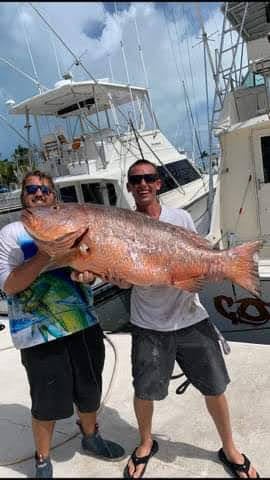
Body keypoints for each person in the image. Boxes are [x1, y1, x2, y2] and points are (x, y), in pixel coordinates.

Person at [119, 159, 259, 478]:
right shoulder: (124, 224)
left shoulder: (179, 216)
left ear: (158, 184)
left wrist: (211, 266)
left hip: (190, 317)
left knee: (214, 387)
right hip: (148, 323)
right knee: (144, 390)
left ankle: (229, 447)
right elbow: (126, 279)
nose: (142, 184)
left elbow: (196, 257)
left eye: (149, 178)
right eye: (136, 179)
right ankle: (145, 443)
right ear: (129, 186)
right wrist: (116, 276)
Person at [0, 170, 125, 478]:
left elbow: (88, 268)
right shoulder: (11, 233)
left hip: (84, 323)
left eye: (45, 189)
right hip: (38, 334)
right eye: (32, 189)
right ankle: (42, 459)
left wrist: (91, 275)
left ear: (54, 197)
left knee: (89, 389)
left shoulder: (72, 227)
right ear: (24, 196)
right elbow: (9, 285)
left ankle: (91, 435)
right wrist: (45, 255)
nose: (39, 193)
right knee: (47, 402)